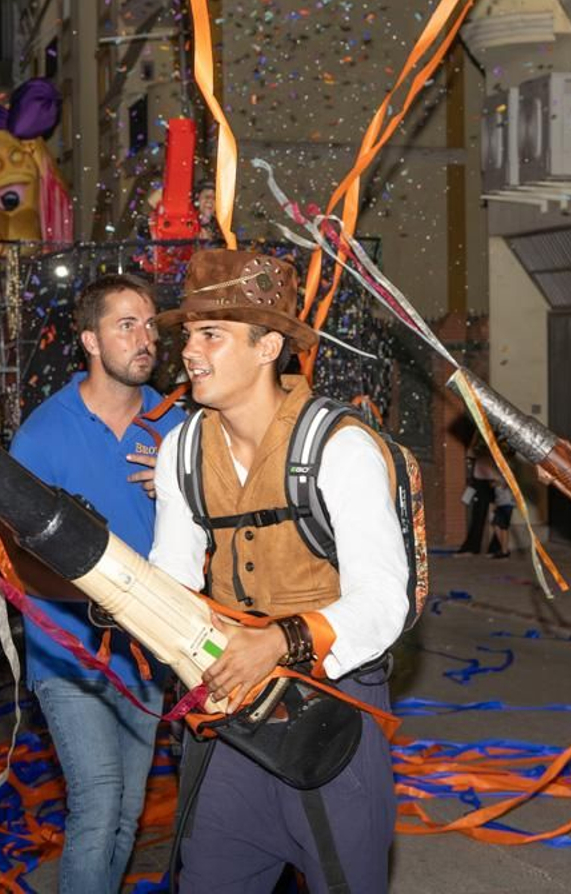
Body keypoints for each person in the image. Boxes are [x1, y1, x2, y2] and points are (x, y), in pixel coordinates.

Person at [148, 250, 410, 891]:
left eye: (212, 334)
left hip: (336, 717)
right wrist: (132, 602)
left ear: (268, 347)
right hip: (229, 721)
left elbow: (383, 601)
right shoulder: (182, 448)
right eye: (188, 334)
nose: (190, 351)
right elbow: (173, 574)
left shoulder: (338, 448)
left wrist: (279, 641)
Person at [8, 274, 182, 894]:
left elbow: (214, 532)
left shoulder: (177, 426)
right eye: (126, 325)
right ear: (89, 340)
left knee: (128, 815)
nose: (146, 338)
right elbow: (14, 560)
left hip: (149, 654)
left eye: (150, 324)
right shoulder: (43, 432)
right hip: (68, 652)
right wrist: (105, 593)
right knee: (98, 804)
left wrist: (182, 494)